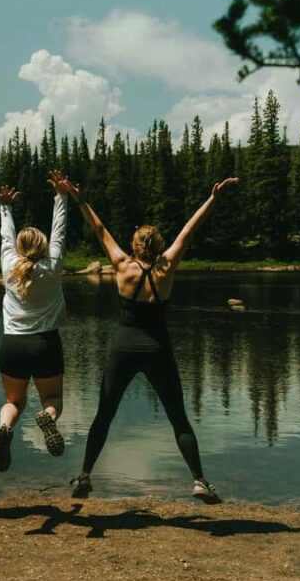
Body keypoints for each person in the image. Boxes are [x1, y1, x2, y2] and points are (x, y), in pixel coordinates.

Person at [63, 176, 239, 503]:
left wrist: (80, 199)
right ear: (158, 246)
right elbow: (190, 229)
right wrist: (213, 199)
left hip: (123, 348)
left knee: (105, 414)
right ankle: (199, 480)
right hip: (158, 349)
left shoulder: (121, 265)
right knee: (178, 417)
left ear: (135, 246)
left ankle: (85, 476)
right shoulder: (166, 268)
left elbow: (99, 229)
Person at [0, 171, 69, 472]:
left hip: (12, 345)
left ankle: (5, 427)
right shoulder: (53, 265)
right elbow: (60, 231)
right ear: (44, 246)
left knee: (14, 402)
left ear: (20, 249)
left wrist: (5, 206)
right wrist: (61, 197)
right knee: (52, 397)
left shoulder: (10, 265)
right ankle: (47, 418)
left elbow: (5, 236)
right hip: (45, 343)